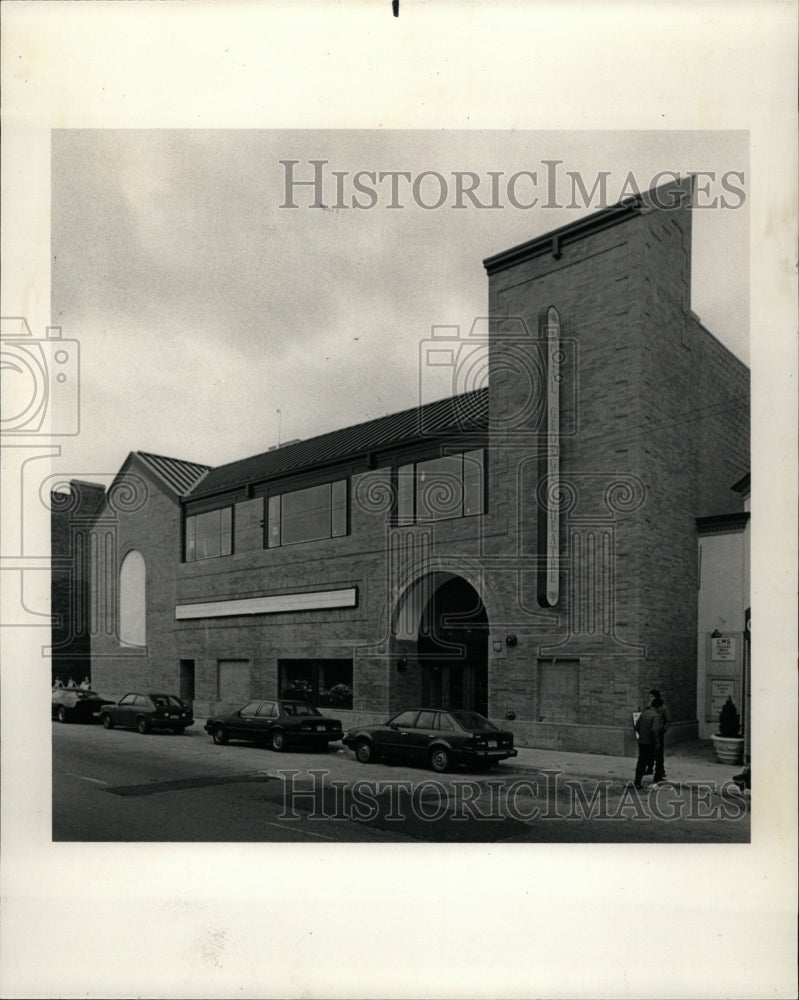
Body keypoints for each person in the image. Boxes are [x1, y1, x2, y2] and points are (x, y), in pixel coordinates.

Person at [633, 697, 662, 788]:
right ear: (659, 707)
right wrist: (657, 742)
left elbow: (637, 726)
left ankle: (637, 780)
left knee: (641, 760)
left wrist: (642, 734)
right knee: (654, 758)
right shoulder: (655, 716)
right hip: (650, 742)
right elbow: (654, 730)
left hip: (642, 741)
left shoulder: (644, 713)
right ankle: (657, 776)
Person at [649, 689, 670, 781]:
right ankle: (650, 768)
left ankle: (660, 771)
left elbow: (668, 720)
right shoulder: (649, 707)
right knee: (650, 752)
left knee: (659, 753)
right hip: (650, 732)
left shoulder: (663, 707)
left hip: (658, 732)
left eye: (652, 697)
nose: (650, 699)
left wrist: (663, 729)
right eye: (649, 697)